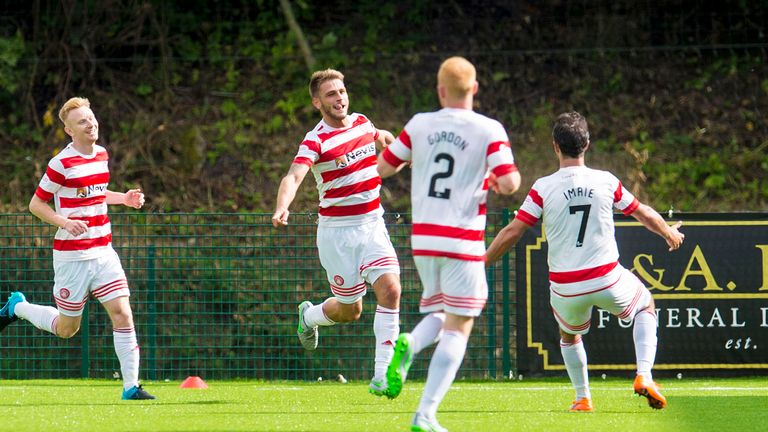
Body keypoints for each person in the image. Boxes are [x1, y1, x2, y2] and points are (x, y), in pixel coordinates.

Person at [486, 111, 685, 412]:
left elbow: (514, 230)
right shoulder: (605, 181)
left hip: (566, 287)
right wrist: (667, 231)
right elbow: (641, 211)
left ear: (555, 146)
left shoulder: (542, 187)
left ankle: (582, 398)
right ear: (587, 144)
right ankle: (644, 375)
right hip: (607, 279)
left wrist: (482, 261)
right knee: (646, 305)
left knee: (569, 334)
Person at [378, 56, 521, 432]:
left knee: (444, 311)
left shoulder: (419, 124)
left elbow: (384, 167)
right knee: (461, 324)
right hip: (462, 240)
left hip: (423, 239)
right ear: (474, 88)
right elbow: (510, 184)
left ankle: (409, 340)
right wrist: (490, 179)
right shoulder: (488, 129)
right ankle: (425, 413)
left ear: (440, 91)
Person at [0, 97, 155, 400]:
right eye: (82, 121)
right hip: (72, 257)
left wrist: (124, 198)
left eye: (92, 118)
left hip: (103, 252)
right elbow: (36, 204)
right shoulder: (61, 163)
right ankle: (18, 307)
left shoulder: (102, 155)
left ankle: (131, 387)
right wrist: (64, 222)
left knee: (122, 313)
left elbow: (95, 193)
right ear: (69, 130)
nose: (91, 124)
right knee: (67, 328)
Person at [271, 69, 401, 397]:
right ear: (318, 102)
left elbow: (379, 135)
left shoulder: (361, 122)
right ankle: (310, 315)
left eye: (341, 91)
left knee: (391, 290)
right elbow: (294, 175)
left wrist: (390, 142)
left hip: (372, 224)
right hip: (337, 236)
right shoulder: (315, 140)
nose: (339, 98)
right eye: (331, 94)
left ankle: (382, 376)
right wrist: (282, 206)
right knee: (350, 311)